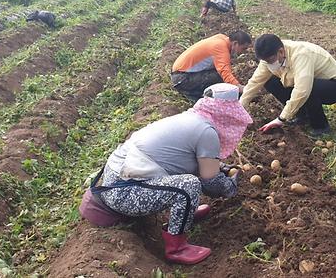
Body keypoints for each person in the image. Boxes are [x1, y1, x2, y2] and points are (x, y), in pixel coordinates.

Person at [97, 83, 252, 264]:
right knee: (190, 185)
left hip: (115, 180)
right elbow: (210, 182)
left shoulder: (192, 118)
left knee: (188, 181)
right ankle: (177, 248)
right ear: (228, 112)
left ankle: (185, 212)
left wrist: (221, 167)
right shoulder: (206, 131)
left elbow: (194, 160)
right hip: (124, 193)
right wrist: (230, 186)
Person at [240, 34, 336, 137]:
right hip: (309, 82)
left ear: (281, 52)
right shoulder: (269, 57)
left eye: (269, 61)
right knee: (270, 80)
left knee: (308, 88)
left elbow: (302, 90)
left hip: (335, 86)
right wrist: (240, 106)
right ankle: (302, 116)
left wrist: (281, 118)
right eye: (265, 61)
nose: (268, 64)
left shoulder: (301, 54)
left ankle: (321, 126)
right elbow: (255, 82)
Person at [171, 31, 252, 102]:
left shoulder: (221, 38)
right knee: (219, 78)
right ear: (235, 43)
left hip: (181, 73)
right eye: (243, 48)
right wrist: (241, 88)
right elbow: (225, 73)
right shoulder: (220, 47)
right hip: (181, 79)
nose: (243, 52)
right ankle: (196, 95)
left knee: (220, 76)